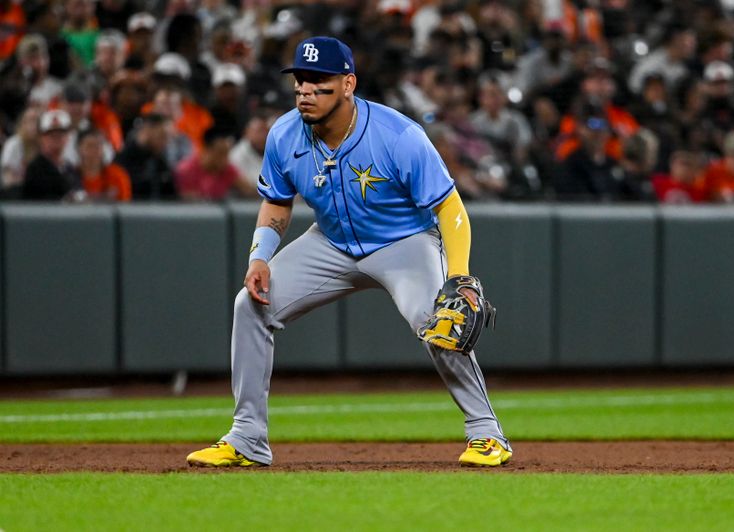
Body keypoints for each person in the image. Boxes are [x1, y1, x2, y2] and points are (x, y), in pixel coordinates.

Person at [187, 36, 512, 468]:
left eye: (318, 80)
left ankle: (487, 435)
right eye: (300, 79)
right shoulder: (284, 134)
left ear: (347, 84)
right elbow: (277, 201)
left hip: (405, 243)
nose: (304, 89)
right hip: (331, 242)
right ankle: (247, 438)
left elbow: (449, 206)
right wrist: (259, 257)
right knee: (251, 305)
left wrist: (458, 274)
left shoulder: (399, 135)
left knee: (440, 319)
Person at [22, 109, 77, 200]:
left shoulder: (69, 167)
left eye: (61, 133)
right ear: (41, 137)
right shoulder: (35, 168)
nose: (56, 138)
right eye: (51, 134)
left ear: (67, 137)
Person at [76, 128, 132, 201]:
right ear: (79, 149)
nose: (94, 151)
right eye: (89, 146)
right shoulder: (71, 176)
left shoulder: (117, 175)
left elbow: (126, 205)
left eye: (98, 146)